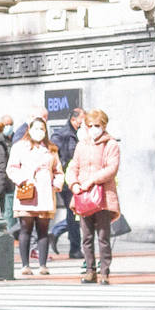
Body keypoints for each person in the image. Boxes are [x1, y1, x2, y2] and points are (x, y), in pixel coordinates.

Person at [66, 109, 121, 286]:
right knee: (86, 236)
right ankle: (90, 271)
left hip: (103, 196)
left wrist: (91, 180)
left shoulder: (111, 144)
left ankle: (104, 271)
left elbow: (112, 168)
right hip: (83, 195)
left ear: (104, 125)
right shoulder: (82, 144)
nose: (93, 129)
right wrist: (73, 183)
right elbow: (73, 166)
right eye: (90, 126)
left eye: (97, 125)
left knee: (103, 236)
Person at [6, 115, 64, 276]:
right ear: (29, 129)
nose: (39, 132)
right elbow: (12, 168)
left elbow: (58, 171)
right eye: (36, 128)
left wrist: (57, 184)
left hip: (45, 193)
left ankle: (43, 265)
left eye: (42, 129)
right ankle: (25, 265)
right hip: (27, 191)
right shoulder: (19, 147)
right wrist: (22, 180)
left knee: (43, 229)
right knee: (26, 228)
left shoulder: (51, 149)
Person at [50, 107, 85, 259]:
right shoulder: (63, 135)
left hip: (77, 179)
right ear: (74, 120)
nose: (84, 122)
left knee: (77, 214)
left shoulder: (79, 134)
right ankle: (75, 248)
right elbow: (52, 150)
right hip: (67, 181)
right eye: (82, 119)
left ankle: (59, 233)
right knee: (74, 213)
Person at [0, 115, 15, 225]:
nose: (9, 127)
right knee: (7, 212)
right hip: (5, 183)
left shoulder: (12, 140)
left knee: (9, 212)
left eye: (11, 124)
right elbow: (1, 165)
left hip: (10, 182)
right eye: (7, 124)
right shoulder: (0, 142)